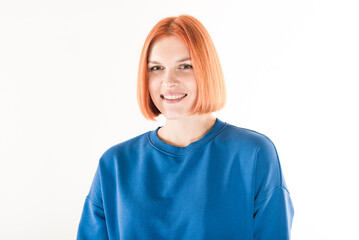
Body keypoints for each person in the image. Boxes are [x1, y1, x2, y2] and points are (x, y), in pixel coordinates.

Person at [77, 15, 294, 240]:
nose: (168, 80)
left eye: (185, 66)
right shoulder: (115, 164)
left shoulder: (253, 155)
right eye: (157, 68)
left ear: (207, 70)